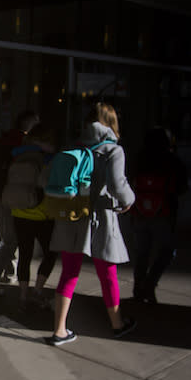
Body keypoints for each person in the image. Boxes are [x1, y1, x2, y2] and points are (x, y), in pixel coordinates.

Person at [48, 102, 136, 346]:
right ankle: (117, 324)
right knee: (108, 274)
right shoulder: (113, 151)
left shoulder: (74, 147)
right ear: (111, 123)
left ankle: (59, 330)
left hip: (73, 216)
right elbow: (118, 185)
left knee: (69, 273)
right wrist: (130, 199)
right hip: (100, 219)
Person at [0, 111, 40, 296]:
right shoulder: (22, 144)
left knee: (7, 239)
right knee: (10, 241)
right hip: (9, 199)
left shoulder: (4, 140)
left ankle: (5, 274)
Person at [4, 122, 59, 310]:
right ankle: (37, 291)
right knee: (51, 253)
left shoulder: (17, 155)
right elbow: (47, 184)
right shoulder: (48, 158)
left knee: (25, 254)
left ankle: (22, 295)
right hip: (42, 214)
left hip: (19, 212)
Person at [130, 127, 188, 304]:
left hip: (139, 212)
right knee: (167, 250)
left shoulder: (138, 159)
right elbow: (182, 188)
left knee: (142, 252)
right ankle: (150, 283)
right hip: (164, 213)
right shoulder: (172, 161)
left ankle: (139, 287)